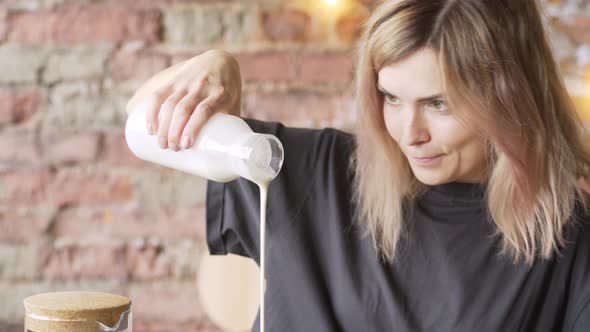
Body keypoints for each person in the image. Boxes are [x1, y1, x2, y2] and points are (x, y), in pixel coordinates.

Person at [126, 0, 590, 331]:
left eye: (440, 104)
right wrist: (215, 64)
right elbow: (144, 127)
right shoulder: (305, 171)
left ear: (509, 97)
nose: (409, 133)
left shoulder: (568, 229)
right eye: (390, 97)